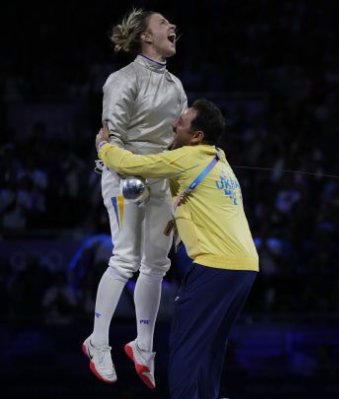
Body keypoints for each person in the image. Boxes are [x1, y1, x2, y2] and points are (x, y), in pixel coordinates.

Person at [95, 98, 259, 399]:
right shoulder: (218, 157)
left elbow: (132, 165)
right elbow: (195, 196)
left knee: (186, 343)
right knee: (211, 342)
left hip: (215, 267)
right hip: (245, 267)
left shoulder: (189, 157)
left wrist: (104, 147)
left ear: (197, 137)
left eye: (180, 123)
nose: (174, 124)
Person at [81, 8, 187, 389]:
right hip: (124, 175)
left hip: (161, 178)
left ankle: (143, 345)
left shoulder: (175, 85)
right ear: (145, 36)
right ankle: (97, 342)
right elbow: (112, 136)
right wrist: (129, 177)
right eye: (163, 24)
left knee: (156, 263)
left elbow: (179, 141)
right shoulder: (122, 79)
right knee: (125, 257)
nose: (172, 27)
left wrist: (178, 187)